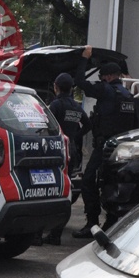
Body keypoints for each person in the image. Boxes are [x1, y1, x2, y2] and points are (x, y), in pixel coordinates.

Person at [71, 45, 137, 239]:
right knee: (112, 183)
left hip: (105, 147)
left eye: (101, 77)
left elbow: (79, 81)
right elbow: (136, 125)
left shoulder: (106, 90)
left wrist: (84, 58)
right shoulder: (129, 96)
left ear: (108, 76)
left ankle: (92, 223)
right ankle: (111, 220)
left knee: (89, 182)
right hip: (124, 149)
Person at [41, 72, 90, 245]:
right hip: (72, 152)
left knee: (47, 190)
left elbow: (44, 125)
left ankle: (40, 232)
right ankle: (56, 234)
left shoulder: (56, 105)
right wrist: (76, 135)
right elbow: (88, 124)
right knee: (64, 192)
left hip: (56, 151)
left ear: (56, 87)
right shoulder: (76, 107)